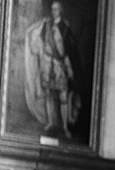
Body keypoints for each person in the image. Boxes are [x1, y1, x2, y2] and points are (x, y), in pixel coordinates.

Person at [24, 1, 81, 138]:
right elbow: (39, 41)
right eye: (52, 9)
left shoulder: (65, 28)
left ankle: (65, 126)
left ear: (60, 11)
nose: (53, 12)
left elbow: (68, 50)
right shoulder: (46, 25)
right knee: (49, 94)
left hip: (60, 66)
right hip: (48, 64)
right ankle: (51, 123)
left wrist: (69, 68)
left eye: (56, 9)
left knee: (63, 95)